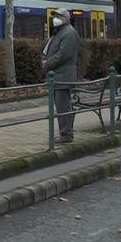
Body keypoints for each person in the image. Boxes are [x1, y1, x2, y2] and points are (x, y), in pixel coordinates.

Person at [43, 8, 80, 144]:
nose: (55, 18)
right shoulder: (60, 32)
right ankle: (65, 133)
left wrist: (47, 64)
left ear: (66, 18)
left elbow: (64, 55)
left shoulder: (69, 32)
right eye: (55, 16)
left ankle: (66, 134)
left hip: (62, 76)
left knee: (63, 106)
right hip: (58, 76)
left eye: (58, 16)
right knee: (62, 105)